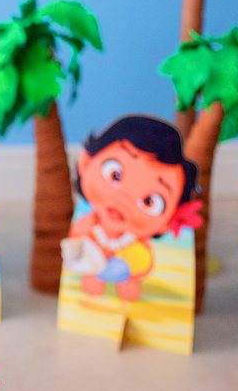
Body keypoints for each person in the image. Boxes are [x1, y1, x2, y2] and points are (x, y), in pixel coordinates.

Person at [61, 115, 201, 302]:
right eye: (115, 175)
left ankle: (127, 282)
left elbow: (146, 263)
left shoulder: (137, 242)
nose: (124, 200)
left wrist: (133, 267)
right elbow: (76, 240)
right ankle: (93, 278)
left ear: (168, 221)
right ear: (86, 164)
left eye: (150, 201)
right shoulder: (89, 224)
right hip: (91, 268)